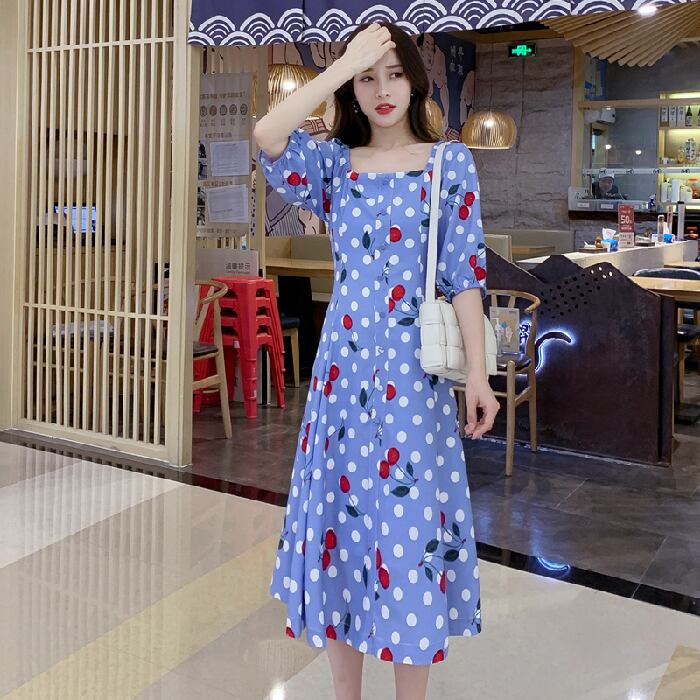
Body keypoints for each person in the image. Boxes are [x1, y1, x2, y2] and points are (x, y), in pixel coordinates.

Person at [254, 22, 499, 700]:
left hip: (414, 381)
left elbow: (465, 276)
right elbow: (268, 135)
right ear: (352, 89)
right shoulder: (335, 163)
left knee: (408, 536)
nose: (383, 89)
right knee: (341, 534)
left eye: (394, 74)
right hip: (341, 377)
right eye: (369, 77)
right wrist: (341, 67)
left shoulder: (448, 163)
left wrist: (479, 376)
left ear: (416, 82)